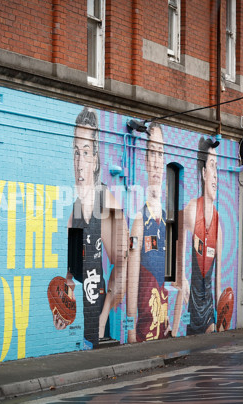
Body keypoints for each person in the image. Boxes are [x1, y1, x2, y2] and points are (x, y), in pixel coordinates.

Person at [51, 107, 127, 349]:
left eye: (86, 152)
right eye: (75, 152)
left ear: (95, 159)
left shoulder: (106, 202)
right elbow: (71, 276)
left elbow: (122, 264)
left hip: (97, 323)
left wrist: (104, 319)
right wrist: (63, 310)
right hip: (82, 329)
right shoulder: (73, 212)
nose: (79, 162)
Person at [172, 137, 222, 336]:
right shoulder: (193, 209)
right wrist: (181, 277)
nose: (216, 176)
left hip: (208, 307)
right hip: (191, 307)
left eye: (218, 167)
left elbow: (217, 282)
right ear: (203, 173)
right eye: (212, 166)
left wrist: (222, 316)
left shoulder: (218, 223)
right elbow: (178, 243)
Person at [127, 123, 168, 343]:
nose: (156, 161)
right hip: (144, 327)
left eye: (160, 153)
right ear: (145, 159)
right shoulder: (139, 218)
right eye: (152, 152)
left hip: (161, 322)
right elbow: (133, 279)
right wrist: (131, 330)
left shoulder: (166, 214)